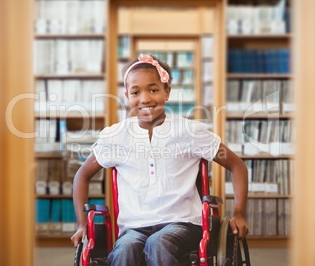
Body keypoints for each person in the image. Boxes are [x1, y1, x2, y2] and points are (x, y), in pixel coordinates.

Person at [71, 54, 249, 265]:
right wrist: (82, 225)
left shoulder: (189, 131)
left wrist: (239, 213)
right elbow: (82, 176)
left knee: (158, 243)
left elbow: (237, 166)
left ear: (167, 92)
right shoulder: (116, 136)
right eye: (136, 92)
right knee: (124, 249)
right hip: (133, 227)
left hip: (182, 224)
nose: (145, 99)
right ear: (127, 95)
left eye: (153, 90)